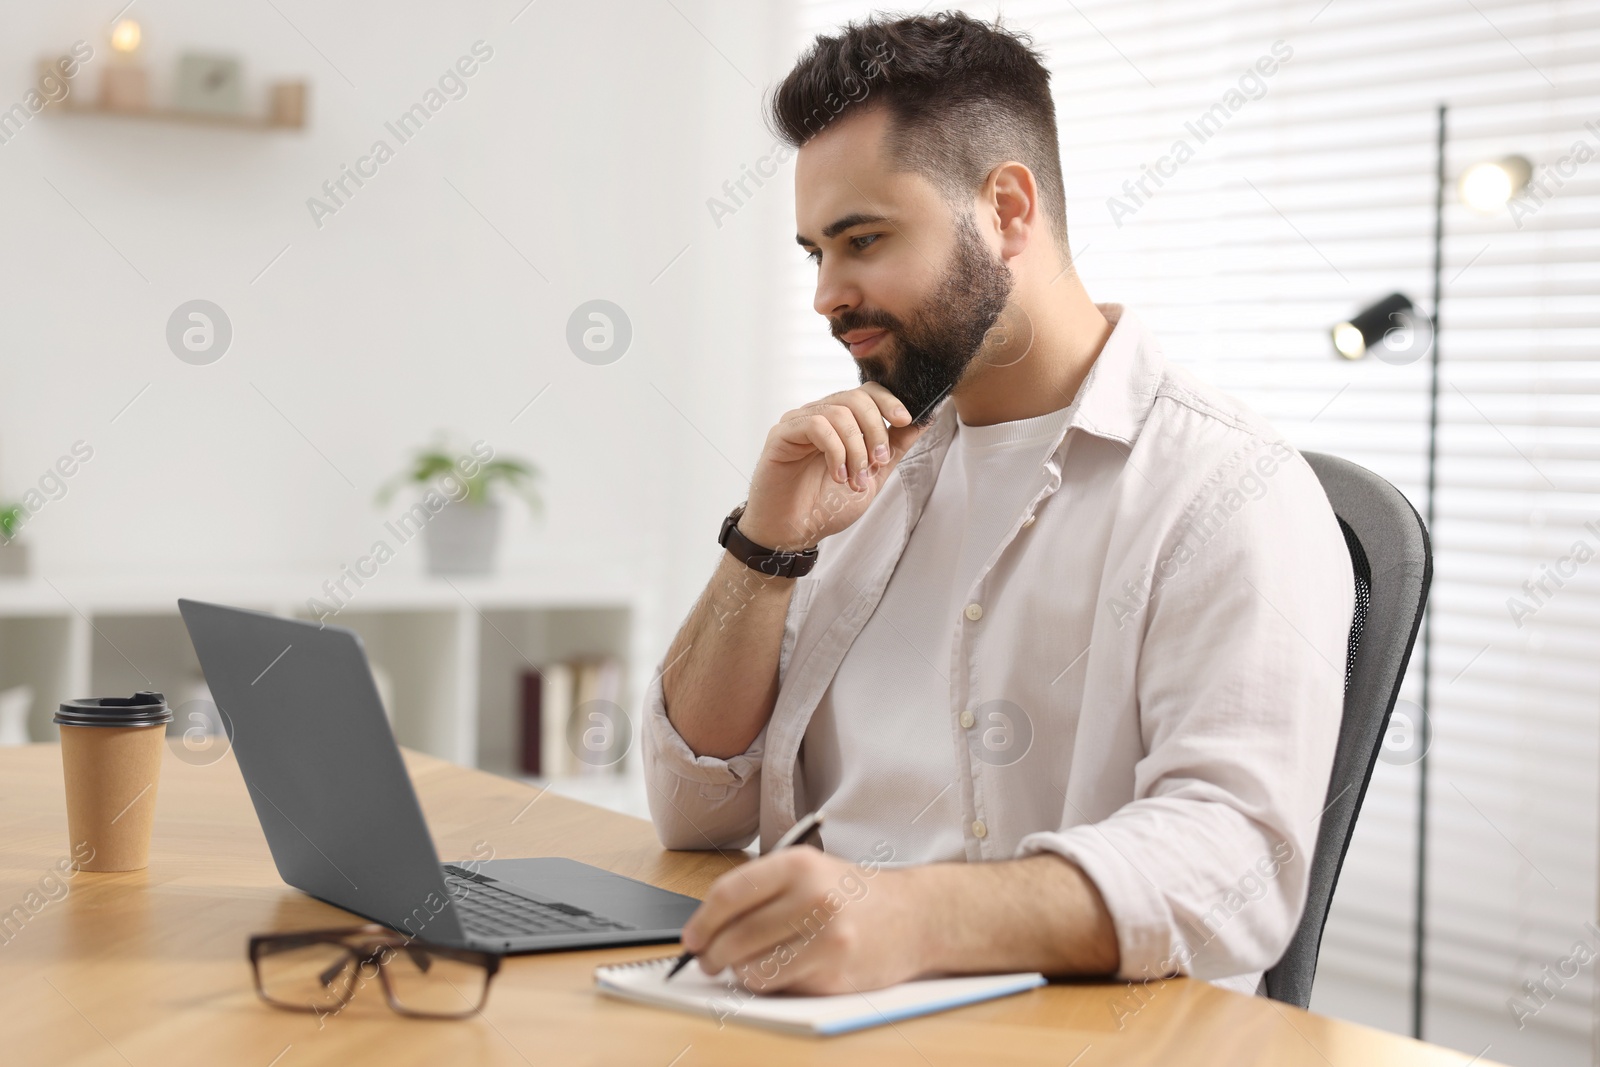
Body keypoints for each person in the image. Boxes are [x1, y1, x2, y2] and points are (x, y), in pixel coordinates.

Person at [642, 11, 1354, 999]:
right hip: (801, 1006)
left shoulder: (1225, 489)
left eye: (864, 240)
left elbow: (1234, 865)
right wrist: (764, 546)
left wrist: (905, 914)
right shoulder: (857, 473)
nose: (827, 294)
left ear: (1008, 208)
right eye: (815, 252)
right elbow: (691, 808)